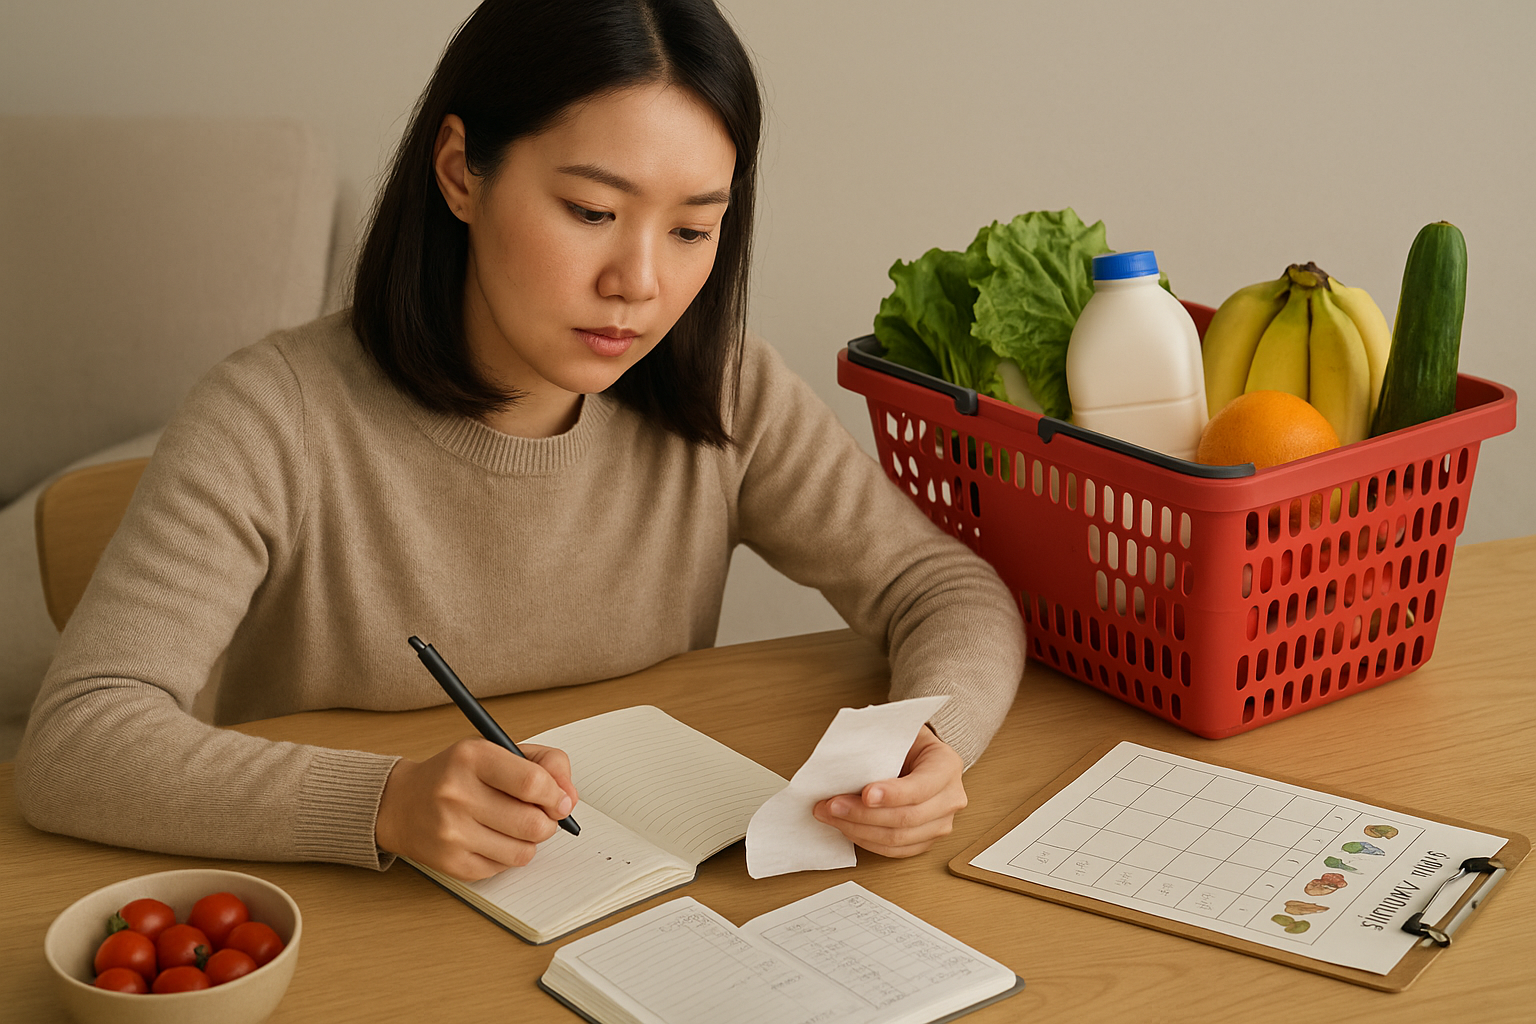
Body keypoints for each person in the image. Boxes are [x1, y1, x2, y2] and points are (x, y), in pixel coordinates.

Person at [16, 0, 1025, 882]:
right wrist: (384, 802)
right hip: (358, 934)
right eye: (592, 209)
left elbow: (941, 585)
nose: (640, 280)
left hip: (626, 906)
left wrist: (930, 738)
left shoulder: (723, 388)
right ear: (461, 172)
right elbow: (79, 738)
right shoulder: (270, 417)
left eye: (690, 230)